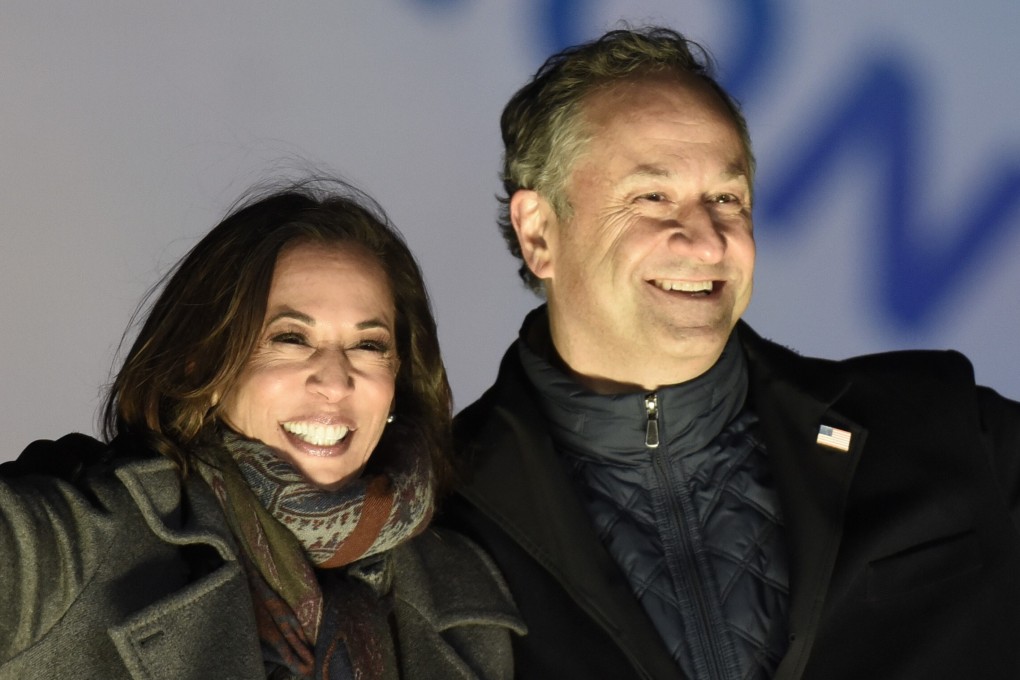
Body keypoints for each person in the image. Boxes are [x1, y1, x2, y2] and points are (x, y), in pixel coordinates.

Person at [441, 26, 1020, 680]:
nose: (707, 241)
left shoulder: (943, 426)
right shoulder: (440, 521)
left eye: (726, 198)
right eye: (652, 197)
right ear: (539, 232)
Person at [0, 179, 524, 679]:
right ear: (204, 368)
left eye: (368, 345)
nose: (335, 380)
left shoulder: (465, 598)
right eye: (291, 338)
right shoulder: (74, 546)